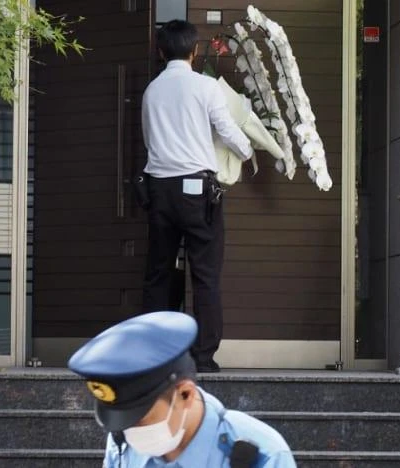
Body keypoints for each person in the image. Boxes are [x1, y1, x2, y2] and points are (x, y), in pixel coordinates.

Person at [140, 19, 254, 373]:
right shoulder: (205, 86)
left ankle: (155, 356)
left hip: (159, 189)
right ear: (194, 51)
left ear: (161, 52)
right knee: (205, 275)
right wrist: (248, 150)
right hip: (196, 190)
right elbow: (227, 129)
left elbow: (149, 139)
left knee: (159, 274)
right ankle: (203, 357)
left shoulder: (151, 91)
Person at [68, 311, 296, 468]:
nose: (130, 431)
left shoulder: (263, 458)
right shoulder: (122, 440)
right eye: (124, 422)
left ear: (185, 394)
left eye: (140, 417)